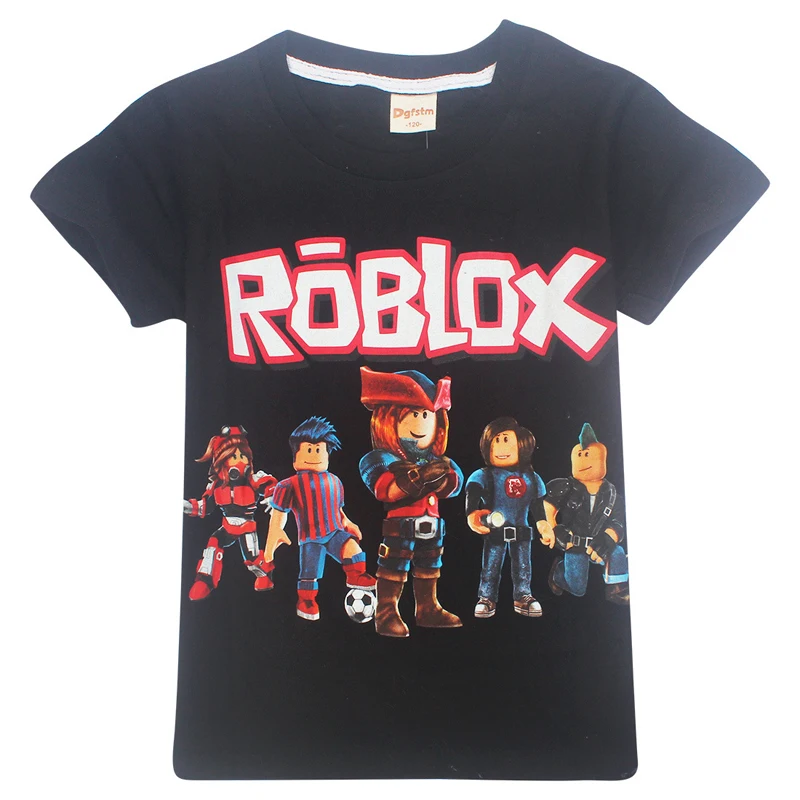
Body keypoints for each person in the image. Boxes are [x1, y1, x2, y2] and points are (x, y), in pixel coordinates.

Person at [359, 367, 463, 637]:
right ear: (388, 419)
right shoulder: (380, 459)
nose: (421, 423)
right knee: (393, 565)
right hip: (399, 527)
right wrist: (418, 478)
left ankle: (428, 608)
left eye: (427, 415)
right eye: (414, 414)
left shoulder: (437, 459)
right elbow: (386, 490)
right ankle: (386, 611)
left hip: (433, 525)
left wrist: (441, 478)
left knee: (430, 565)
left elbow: (455, 485)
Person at [266, 416, 376, 621]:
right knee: (310, 572)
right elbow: (279, 513)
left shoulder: (335, 481)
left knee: (353, 549)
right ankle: (306, 600)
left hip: (335, 531)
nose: (315, 454)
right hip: (311, 537)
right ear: (295, 457)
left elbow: (338, 509)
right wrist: (275, 533)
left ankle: (356, 575)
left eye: (319, 449)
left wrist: (348, 523)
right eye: (309, 449)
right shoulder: (288, 485)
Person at [183, 425, 277, 600]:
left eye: (242, 456)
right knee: (213, 545)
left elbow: (269, 485)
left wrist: (273, 497)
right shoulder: (217, 485)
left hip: (246, 526)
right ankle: (205, 580)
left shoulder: (252, 480)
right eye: (234, 457)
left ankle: (266, 575)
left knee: (253, 560)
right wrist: (187, 506)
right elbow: (205, 506)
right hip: (227, 526)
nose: (240, 461)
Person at [465, 417, 547, 618]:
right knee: (491, 564)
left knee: (523, 565)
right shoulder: (486, 475)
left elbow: (538, 504)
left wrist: (543, 524)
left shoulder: (531, 477)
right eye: (496, 441)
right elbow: (473, 491)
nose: (501, 447)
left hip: (522, 528)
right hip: (495, 528)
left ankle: (523, 595)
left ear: (521, 444)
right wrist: (472, 513)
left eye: (506, 440)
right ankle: (486, 597)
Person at [539, 423, 629, 604]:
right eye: (579, 455)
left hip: (600, 542)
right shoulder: (566, 487)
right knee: (577, 588)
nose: (583, 459)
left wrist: (608, 538)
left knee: (618, 553)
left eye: (587, 455)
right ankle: (559, 571)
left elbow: (619, 521)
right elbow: (546, 504)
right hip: (574, 543)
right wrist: (554, 529)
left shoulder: (612, 494)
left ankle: (617, 588)